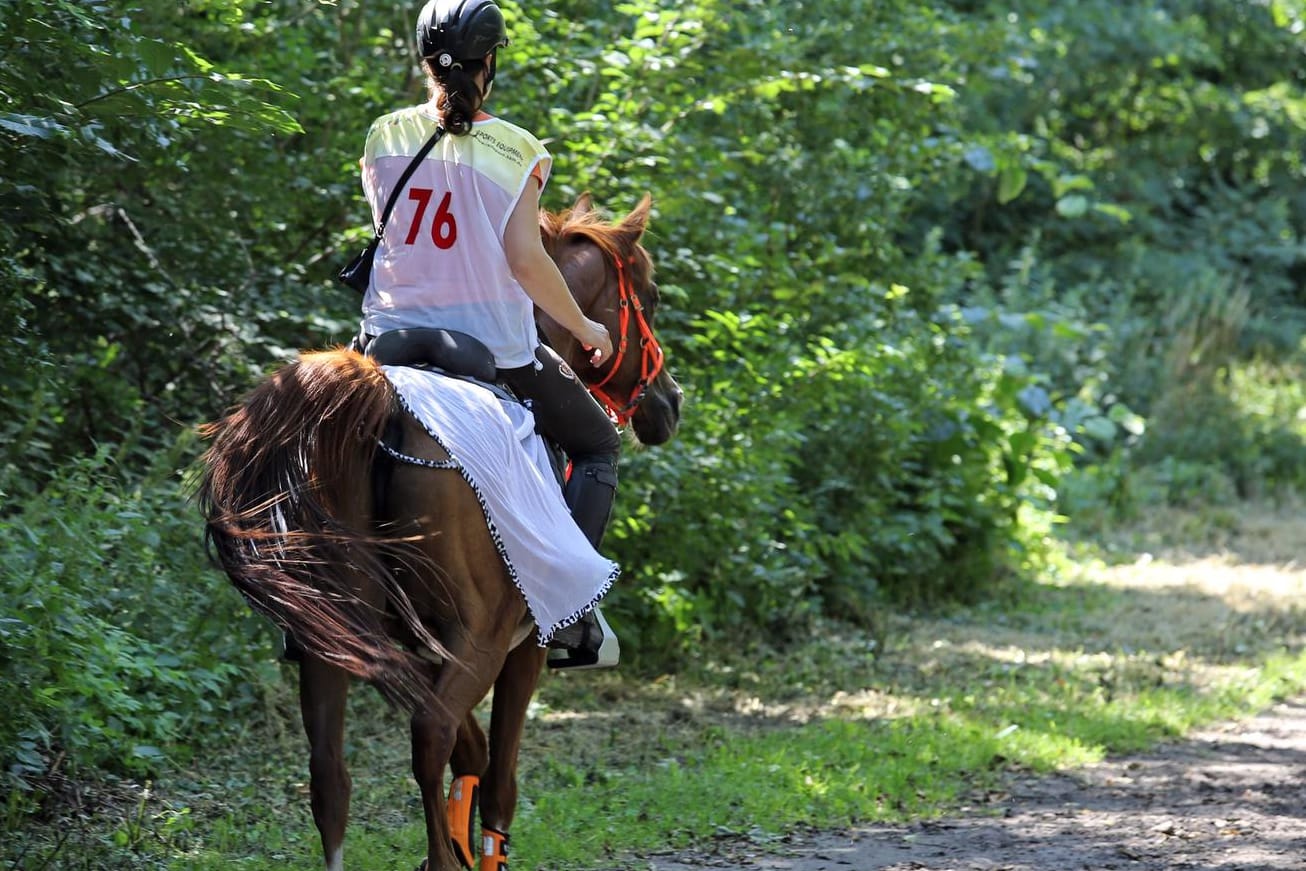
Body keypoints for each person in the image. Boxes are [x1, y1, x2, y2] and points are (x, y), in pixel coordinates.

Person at [356, 0, 621, 669]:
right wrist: (585, 324)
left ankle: (310, 608)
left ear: (423, 60)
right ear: (491, 62)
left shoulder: (383, 134)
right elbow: (528, 262)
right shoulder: (520, 150)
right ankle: (567, 611)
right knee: (597, 444)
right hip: (487, 349)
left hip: (384, 341)